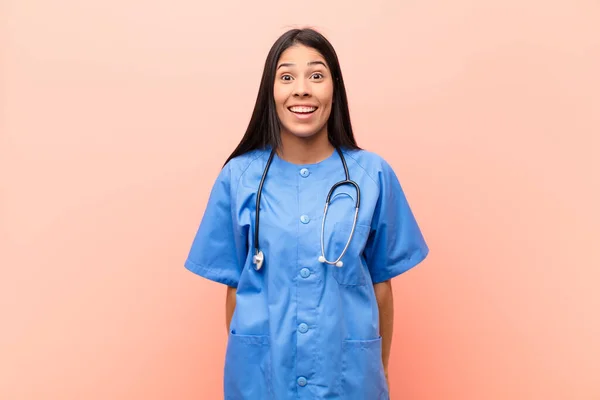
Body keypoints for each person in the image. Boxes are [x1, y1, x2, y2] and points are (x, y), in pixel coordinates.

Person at [184, 27, 429, 400]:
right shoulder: (239, 177)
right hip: (262, 379)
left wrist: (378, 369)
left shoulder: (373, 176)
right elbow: (236, 287)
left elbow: (382, 286)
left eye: (316, 75)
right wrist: (250, 358)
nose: (302, 89)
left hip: (347, 379)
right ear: (272, 91)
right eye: (287, 77)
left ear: (335, 88)